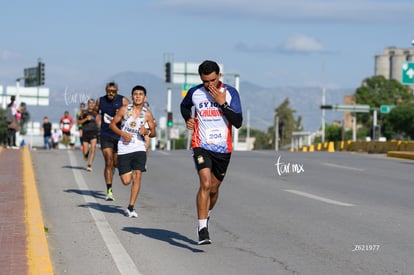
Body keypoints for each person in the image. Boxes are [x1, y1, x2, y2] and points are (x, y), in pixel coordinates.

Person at [180, 60, 243, 245]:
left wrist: (222, 104)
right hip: (201, 145)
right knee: (205, 184)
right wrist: (188, 119)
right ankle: (202, 229)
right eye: (206, 81)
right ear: (201, 79)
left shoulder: (230, 93)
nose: (210, 85)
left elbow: (238, 122)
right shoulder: (195, 92)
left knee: (214, 190)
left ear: (219, 76)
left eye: (213, 80)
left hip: (223, 148)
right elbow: (184, 106)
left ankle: (206, 215)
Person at [109, 85, 156, 217]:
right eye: (135, 94)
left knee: (138, 175)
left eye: (141, 94)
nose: (138, 96)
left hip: (139, 147)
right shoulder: (124, 110)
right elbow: (112, 125)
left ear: (144, 97)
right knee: (126, 181)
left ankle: (130, 207)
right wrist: (122, 134)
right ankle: (120, 168)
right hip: (124, 148)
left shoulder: (147, 114)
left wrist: (146, 131)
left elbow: (153, 133)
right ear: (132, 97)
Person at [93, 81, 130, 201]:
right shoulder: (100, 100)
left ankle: (114, 168)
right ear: (106, 90)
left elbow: (131, 114)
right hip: (105, 134)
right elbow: (95, 110)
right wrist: (97, 116)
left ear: (116, 92)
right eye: (109, 91)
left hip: (118, 135)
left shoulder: (123, 100)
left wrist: (122, 115)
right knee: (108, 161)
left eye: (113, 92)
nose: (111, 93)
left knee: (116, 163)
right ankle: (109, 190)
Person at [78, 98, 99, 172]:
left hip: (94, 132)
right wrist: (86, 119)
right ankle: (86, 155)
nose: (91, 105)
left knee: (93, 149)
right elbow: (79, 122)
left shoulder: (96, 113)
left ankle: (89, 165)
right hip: (85, 132)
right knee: (85, 151)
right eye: (90, 103)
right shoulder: (84, 112)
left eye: (92, 103)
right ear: (88, 104)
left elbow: (99, 121)